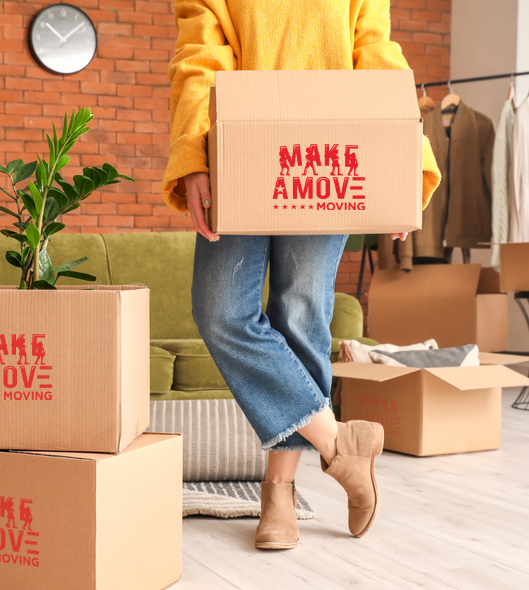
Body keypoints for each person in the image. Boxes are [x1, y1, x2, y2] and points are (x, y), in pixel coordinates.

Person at [163, 0, 441, 549]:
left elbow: (376, 53)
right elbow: (200, 50)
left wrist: (401, 160)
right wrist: (195, 153)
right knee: (220, 310)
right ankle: (341, 444)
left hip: (333, 148)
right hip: (238, 147)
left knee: (302, 313)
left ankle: (280, 491)